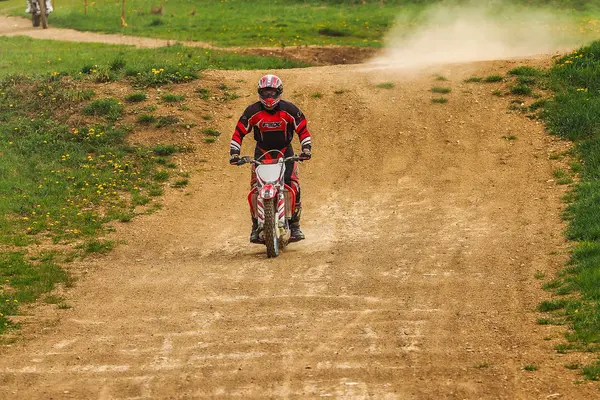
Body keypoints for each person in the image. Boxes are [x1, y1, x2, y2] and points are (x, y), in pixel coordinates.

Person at [229, 74, 312, 243]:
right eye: (265, 93)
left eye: (272, 93)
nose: (269, 97)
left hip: (285, 152)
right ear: (260, 93)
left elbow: (302, 129)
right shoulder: (252, 112)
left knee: (292, 185)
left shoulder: (289, 109)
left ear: (279, 92)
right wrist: (234, 153)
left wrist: (306, 149)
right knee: (255, 188)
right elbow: (239, 132)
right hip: (261, 153)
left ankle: (295, 226)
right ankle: (255, 226)